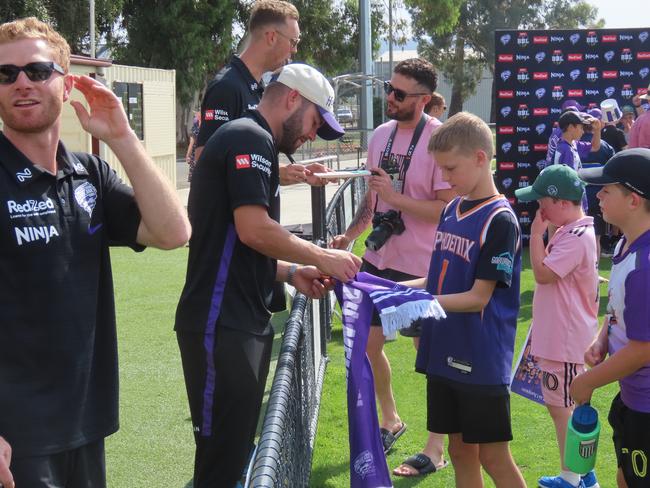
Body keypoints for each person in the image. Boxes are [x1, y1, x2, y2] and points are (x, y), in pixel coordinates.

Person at [0, 17, 191, 488]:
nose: (21, 82)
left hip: (86, 420)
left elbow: (173, 231)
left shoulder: (88, 174)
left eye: (38, 71)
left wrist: (122, 137)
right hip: (16, 438)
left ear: (66, 86)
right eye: (6, 74)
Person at [175, 63, 361, 488]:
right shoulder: (249, 137)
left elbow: (237, 247)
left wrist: (292, 271)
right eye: (316, 121)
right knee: (220, 466)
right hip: (220, 325)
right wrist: (324, 257)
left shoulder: (254, 140)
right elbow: (253, 230)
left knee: (234, 455)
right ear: (292, 98)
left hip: (235, 322)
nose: (312, 134)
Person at [330, 58, 455, 464]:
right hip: (379, 254)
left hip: (423, 265)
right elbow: (372, 199)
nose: (389, 97)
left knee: (430, 354)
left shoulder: (440, 139)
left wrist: (396, 198)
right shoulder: (380, 135)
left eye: (399, 93)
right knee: (368, 344)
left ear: (423, 99)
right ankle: (391, 419)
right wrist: (350, 236)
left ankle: (436, 449)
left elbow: (445, 210)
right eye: (389, 88)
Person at [413, 112, 526, 488]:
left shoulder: (500, 219)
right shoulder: (450, 209)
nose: (445, 178)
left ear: (481, 158)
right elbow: (435, 279)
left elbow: (479, 297)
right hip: (443, 350)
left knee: (493, 457)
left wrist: (422, 303)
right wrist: (391, 290)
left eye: (451, 168)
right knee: (460, 451)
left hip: (479, 359)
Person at [515, 165, 600, 488]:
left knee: (561, 408)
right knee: (566, 407)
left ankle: (572, 477)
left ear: (561, 202)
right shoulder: (574, 231)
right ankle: (581, 471)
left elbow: (543, 274)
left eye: (543, 202)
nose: (540, 209)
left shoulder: (576, 236)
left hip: (564, 341)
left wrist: (535, 235)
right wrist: (547, 232)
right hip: (563, 336)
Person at [571, 148, 650, 488]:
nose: (598, 194)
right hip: (631, 396)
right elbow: (619, 309)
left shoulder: (645, 266)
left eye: (607, 189)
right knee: (624, 477)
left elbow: (643, 349)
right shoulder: (622, 248)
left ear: (634, 200)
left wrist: (588, 382)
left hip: (646, 407)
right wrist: (603, 337)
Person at [195, 0, 325, 186]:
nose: (294, 50)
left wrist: (299, 173)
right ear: (271, 37)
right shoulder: (226, 87)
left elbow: (250, 162)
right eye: (293, 41)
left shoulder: (259, 89)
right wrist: (276, 171)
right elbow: (205, 161)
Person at [185, 110, 200, 181]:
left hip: (195, 156)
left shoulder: (195, 129)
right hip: (203, 155)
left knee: (194, 179)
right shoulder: (206, 128)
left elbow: (191, 144)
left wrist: (188, 155)